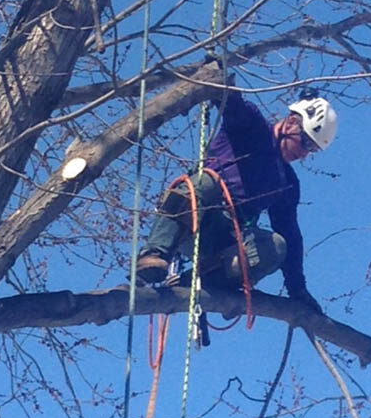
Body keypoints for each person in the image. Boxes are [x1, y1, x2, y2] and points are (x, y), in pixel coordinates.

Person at [135, 88, 337, 314]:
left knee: (277, 246)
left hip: (224, 240)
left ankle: (203, 282)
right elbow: (231, 102)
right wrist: (219, 80)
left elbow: (290, 235)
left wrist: (298, 289)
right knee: (207, 182)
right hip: (193, 217)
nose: (304, 154)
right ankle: (155, 254)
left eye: (313, 150)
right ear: (291, 123)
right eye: (306, 143)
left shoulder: (287, 183)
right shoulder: (252, 127)